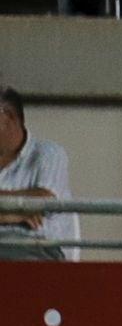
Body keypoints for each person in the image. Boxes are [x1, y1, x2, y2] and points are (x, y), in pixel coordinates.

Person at [0, 87, 78, 262]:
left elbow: (43, 201)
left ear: (9, 117)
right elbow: (32, 203)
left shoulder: (48, 153)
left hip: (35, 250)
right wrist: (17, 212)